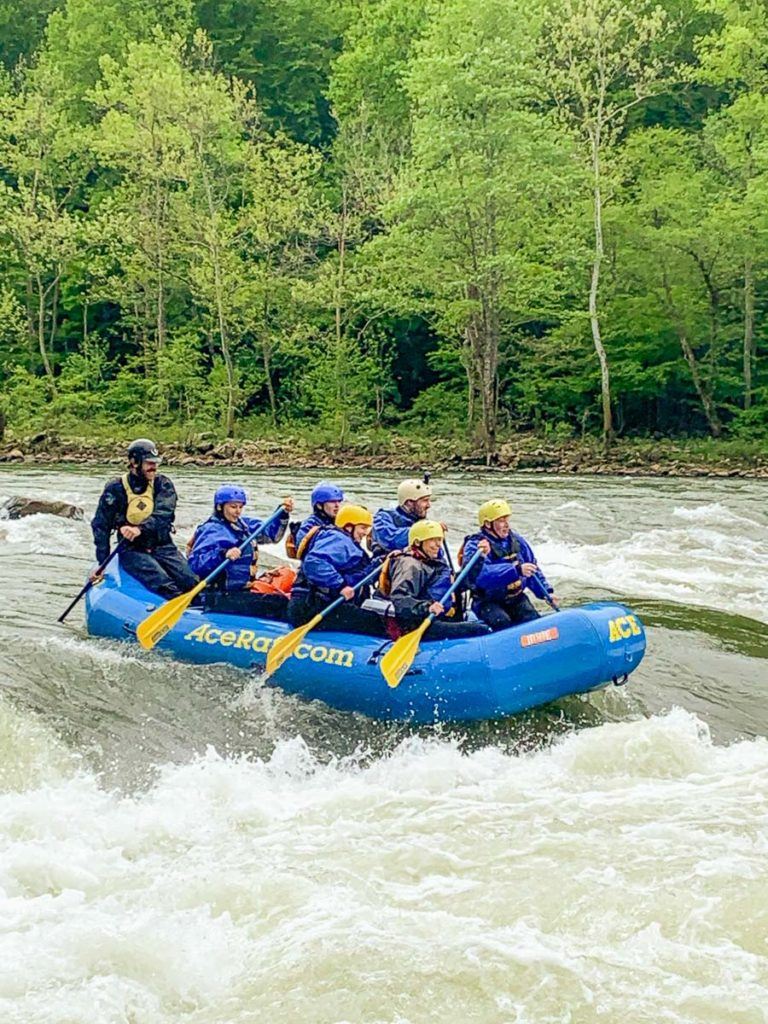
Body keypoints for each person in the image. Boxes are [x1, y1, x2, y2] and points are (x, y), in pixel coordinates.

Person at [90, 438, 198, 598]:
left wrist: (139, 529)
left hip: (162, 545)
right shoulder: (115, 488)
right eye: (149, 463)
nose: (153, 467)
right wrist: (102, 562)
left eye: (155, 463)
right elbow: (101, 525)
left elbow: (164, 515)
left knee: (191, 582)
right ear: (134, 462)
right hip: (132, 549)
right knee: (165, 584)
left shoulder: (163, 484)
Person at [187, 485, 294, 618]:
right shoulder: (212, 530)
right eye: (233, 507)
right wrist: (222, 554)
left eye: (240, 507)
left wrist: (282, 513)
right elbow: (195, 564)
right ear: (220, 507)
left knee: (287, 575)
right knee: (279, 602)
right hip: (220, 596)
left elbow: (270, 535)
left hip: (243, 589)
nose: (238, 511)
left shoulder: (243, 525)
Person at [287, 504, 387, 636]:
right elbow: (314, 562)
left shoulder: (343, 541)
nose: (365, 532)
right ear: (348, 526)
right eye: (362, 528)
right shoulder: (339, 539)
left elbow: (355, 576)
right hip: (310, 607)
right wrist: (341, 586)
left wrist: (379, 563)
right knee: (372, 620)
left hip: (317, 605)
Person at [381, 521, 491, 640]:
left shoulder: (434, 562)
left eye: (439, 540)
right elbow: (400, 599)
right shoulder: (410, 565)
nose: (438, 544)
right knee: (481, 630)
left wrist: (480, 558)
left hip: (441, 616)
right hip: (420, 624)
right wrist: (427, 607)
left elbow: (462, 584)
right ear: (418, 542)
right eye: (433, 540)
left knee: (484, 625)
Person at [462, 499, 557, 631]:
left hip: (515, 598)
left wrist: (546, 593)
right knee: (502, 622)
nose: (506, 525)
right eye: (501, 521)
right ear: (488, 524)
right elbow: (482, 576)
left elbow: (532, 568)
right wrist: (516, 570)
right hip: (487, 602)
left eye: (507, 520)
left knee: (532, 620)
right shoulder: (475, 545)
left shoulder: (516, 540)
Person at [371, 478, 446, 558]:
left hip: (420, 567)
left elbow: (438, 553)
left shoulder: (421, 521)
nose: (428, 505)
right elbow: (391, 541)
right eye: (425, 501)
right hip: (388, 566)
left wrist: (435, 534)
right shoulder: (383, 517)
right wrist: (424, 530)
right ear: (409, 502)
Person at [286, 481, 345, 557]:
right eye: (332, 501)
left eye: (339, 501)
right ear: (319, 505)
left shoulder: (341, 522)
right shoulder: (308, 526)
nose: (337, 505)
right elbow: (303, 552)